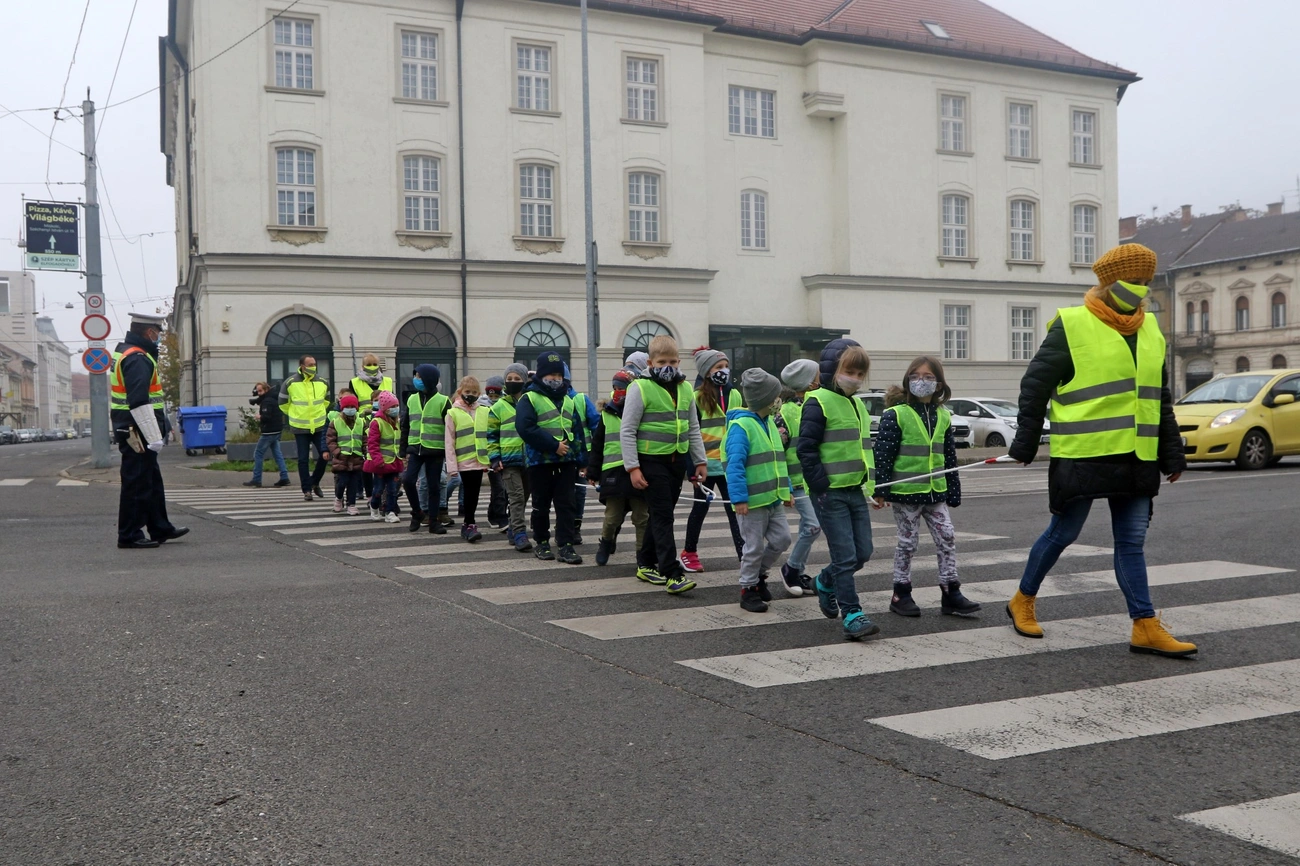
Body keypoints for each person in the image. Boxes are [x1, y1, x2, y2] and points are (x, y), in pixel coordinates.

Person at [1006, 243, 1194, 657]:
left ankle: (1144, 624)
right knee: (1064, 533)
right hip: (1084, 453)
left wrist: (1172, 452)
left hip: (1137, 455)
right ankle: (1022, 600)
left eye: (1146, 282)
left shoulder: (1151, 331)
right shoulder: (1071, 325)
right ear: (1108, 283)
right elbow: (1034, 386)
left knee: (1131, 541)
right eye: (1134, 281)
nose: (1141, 289)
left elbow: (1157, 398)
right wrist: (1024, 442)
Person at [873, 356, 981, 618]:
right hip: (906, 492)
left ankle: (950, 592)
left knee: (947, 537)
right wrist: (881, 489)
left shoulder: (943, 416)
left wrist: (953, 490)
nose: (921, 381)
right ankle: (901, 593)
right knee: (907, 543)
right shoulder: (896, 414)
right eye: (916, 376)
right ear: (908, 381)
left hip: (936, 493)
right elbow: (883, 454)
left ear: (939, 383)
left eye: (928, 377)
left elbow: (949, 457)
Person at [796, 338, 879, 640]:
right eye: (850, 372)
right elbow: (806, 448)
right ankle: (852, 614)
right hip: (830, 493)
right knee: (845, 556)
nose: (855, 379)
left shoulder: (857, 404)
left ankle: (823, 581)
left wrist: (871, 485)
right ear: (833, 369)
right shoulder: (817, 400)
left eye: (860, 374)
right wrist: (821, 485)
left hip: (855, 490)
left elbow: (863, 449)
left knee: (863, 553)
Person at [620, 335, 708, 595]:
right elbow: (627, 431)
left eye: (672, 361)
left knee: (662, 513)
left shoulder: (685, 389)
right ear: (650, 362)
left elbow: (693, 427)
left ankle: (646, 563)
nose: (667, 365)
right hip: (650, 461)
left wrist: (699, 461)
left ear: (679, 362)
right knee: (663, 516)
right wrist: (633, 467)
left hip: (676, 461)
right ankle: (672, 572)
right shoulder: (640, 388)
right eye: (661, 361)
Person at [111, 311, 189, 549]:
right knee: (137, 484)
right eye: (158, 334)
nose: (159, 339)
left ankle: (159, 527)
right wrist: (154, 436)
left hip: (134, 428)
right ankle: (129, 534)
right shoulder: (137, 358)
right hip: (138, 431)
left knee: (151, 481)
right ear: (149, 332)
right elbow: (138, 400)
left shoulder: (128, 352)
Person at [727, 369, 794, 612]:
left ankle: (759, 576)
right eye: (776, 396)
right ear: (765, 399)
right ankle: (748, 589)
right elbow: (733, 465)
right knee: (753, 547)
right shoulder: (741, 427)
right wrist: (739, 498)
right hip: (752, 503)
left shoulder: (769, 424)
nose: (779, 400)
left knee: (782, 539)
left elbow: (777, 461)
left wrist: (786, 490)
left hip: (773, 499)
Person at [514, 351, 584, 565]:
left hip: (566, 462)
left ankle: (565, 544)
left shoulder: (569, 400)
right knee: (541, 504)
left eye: (559, 375)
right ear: (541, 375)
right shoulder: (530, 397)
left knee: (566, 505)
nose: (555, 379)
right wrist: (554, 446)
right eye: (551, 374)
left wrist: (583, 462)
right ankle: (542, 541)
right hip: (540, 462)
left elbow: (578, 432)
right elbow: (525, 427)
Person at [680, 348, 745, 573]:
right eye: (719, 367)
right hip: (705, 466)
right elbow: (691, 433)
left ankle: (744, 555)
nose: (724, 371)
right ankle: (689, 552)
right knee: (699, 510)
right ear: (707, 372)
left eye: (726, 366)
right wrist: (692, 468)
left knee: (735, 511)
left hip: (729, 465)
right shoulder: (696, 397)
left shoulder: (735, 394)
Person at [588, 370, 649, 567]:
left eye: (621, 388)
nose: (617, 392)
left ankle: (642, 555)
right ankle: (605, 543)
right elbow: (598, 446)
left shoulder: (642, 411)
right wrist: (593, 472)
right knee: (612, 517)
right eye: (614, 388)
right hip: (613, 471)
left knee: (641, 517)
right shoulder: (607, 414)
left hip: (639, 471)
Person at [775, 361, 822, 596]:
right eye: (818, 375)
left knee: (809, 525)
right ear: (809, 382)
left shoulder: (819, 405)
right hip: (797, 482)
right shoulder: (786, 413)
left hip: (814, 480)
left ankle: (797, 570)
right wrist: (785, 487)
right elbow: (777, 452)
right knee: (814, 526)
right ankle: (791, 569)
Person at [400, 364, 450, 534]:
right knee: (407, 480)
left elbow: (449, 430)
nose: (416, 380)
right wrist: (403, 450)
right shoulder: (412, 399)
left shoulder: (443, 401)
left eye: (419, 377)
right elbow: (405, 425)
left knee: (433, 486)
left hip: (435, 449)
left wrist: (449, 454)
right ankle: (417, 513)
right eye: (416, 376)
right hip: (415, 448)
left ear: (429, 379)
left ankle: (434, 521)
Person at [488, 363, 532, 552]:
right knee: (516, 497)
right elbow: (491, 435)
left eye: (517, 379)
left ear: (524, 380)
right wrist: (495, 458)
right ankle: (521, 533)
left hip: (530, 460)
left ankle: (514, 527)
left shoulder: (531, 402)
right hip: (509, 460)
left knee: (525, 496)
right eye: (510, 379)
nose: (513, 382)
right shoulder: (498, 407)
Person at [278, 354, 331, 502]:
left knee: (325, 455)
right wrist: (295, 414)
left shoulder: (322, 382)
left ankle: (314, 481)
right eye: (310, 364)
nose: (313, 367)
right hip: (300, 427)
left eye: (314, 364)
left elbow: (326, 401)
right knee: (303, 459)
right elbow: (283, 403)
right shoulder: (290, 383)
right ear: (302, 366)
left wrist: (318, 414)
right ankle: (306, 490)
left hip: (319, 426)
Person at [446, 376, 487, 543]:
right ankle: (469, 524)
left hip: (480, 461)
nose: (471, 395)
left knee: (474, 494)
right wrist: (452, 468)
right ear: (460, 392)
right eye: (467, 392)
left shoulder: (484, 411)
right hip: (463, 461)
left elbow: (488, 436)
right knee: (469, 493)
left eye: (474, 392)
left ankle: (469, 523)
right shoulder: (453, 413)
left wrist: (489, 461)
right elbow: (449, 441)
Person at [564, 364, 601, 546]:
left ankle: (575, 527)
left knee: (578, 492)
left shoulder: (580, 399)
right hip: (561, 456)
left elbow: (596, 427)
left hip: (580, 458)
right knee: (564, 494)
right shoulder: (549, 400)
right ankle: (565, 527)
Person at [364, 391, 405, 523]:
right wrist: (378, 459)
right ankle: (374, 506)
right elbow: (372, 443)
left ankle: (390, 512)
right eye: (392, 407)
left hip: (394, 462)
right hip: (381, 463)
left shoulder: (398, 422)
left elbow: (400, 441)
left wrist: (403, 456)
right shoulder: (377, 422)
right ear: (385, 409)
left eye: (396, 406)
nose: (395, 409)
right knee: (378, 489)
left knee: (392, 489)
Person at [244, 381, 291, 488]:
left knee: (258, 454)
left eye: (261, 391)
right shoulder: (273, 398)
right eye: (258, 391)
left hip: (269, 432)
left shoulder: (267, 401)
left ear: (266, 390)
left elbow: (267, 416)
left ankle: (257, 479)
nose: (259, 393)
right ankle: (284, 477)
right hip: (277, 430)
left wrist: (259, 416)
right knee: (277, 454)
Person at [326, 394, 367, 515]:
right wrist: (337, 452)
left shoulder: (361, 422)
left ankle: (352, 504)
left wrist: (366, 451)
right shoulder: (336, 422)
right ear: (342, 408)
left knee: (353, 483)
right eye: (347, 406)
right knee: (342, 482)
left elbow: (365, 438)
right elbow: (330, 439)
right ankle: (339, 498)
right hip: (342, 458)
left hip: (356, 457)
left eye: (352, 406)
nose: (350, 409)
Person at [478, 377, 509, 530]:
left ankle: (496, 513)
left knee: (505, 488)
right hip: (490, 453)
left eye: (496, 396)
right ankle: (500, 516)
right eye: (490, 396)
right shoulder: (481, 408)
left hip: (507, 451)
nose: (493, 399)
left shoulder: (506, 406)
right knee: (498, 487)